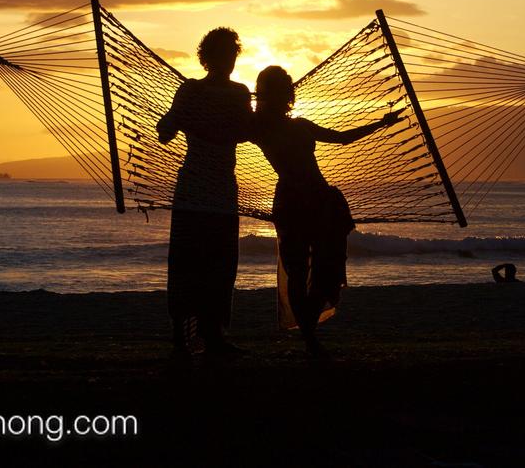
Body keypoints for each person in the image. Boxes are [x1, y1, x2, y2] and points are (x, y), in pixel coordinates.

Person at [252, 65, 401, 358]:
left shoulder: (293, 125)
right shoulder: (259, 127)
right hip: (299, 202)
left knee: (321, 268)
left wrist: (381, 124)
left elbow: (342, 138)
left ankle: (309, 333)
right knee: (301, 270)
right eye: (282, 87)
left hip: (316, 201)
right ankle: (309, 336)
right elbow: (228, 123)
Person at [157, 27, 253, 357]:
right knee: (188, 264)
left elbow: (246, 132)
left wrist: (189, 125)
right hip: (196, 192)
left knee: (219, 266)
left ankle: (212, 337)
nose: (228, 59)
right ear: (208, 57)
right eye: (222, 53)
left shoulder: (234, 93)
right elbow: (165, 132)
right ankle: (183, 339)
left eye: (231, 53)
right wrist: (177, 123)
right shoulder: (193, 91)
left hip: (221, 191)